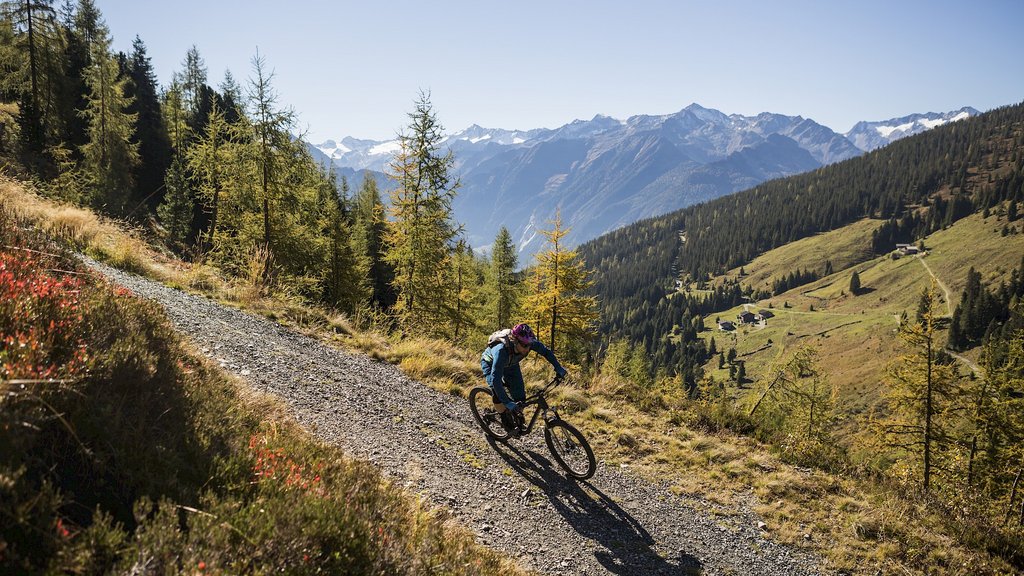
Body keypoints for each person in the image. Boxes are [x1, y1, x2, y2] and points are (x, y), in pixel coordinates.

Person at [480, 323, 567, 433]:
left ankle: (514, 414)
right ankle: (503, 417)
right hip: (491, 363)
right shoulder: (501, 351)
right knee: (497, 391)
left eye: (529, 345)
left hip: (511, 364)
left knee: (520, 398)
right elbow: (495, 379)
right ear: (515, 341)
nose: (528, 348)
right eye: (525, 345)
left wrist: (558, 368)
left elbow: (545, 352)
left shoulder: (528, 342)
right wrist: (507, 403)